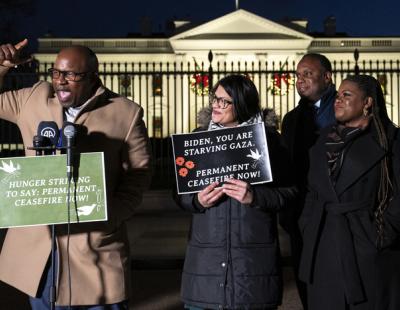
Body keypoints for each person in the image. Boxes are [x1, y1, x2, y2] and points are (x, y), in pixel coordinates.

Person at [0, 39, 152, 309]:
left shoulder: (125, 113)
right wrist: (1, 67)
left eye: (71, 74)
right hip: (41, 252)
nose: (60, 81)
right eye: (56, 73)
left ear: (93, 76)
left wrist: (111, 216)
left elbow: (138, 174)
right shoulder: (33, 98)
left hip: (95, 251)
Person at [175, 74, 297, 309]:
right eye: (215, 99)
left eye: (224, 101)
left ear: (242, 103)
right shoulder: (197, 139)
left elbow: (291, 193)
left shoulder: (270, 142)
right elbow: (179, 193)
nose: (215, 105)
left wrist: (255, 197)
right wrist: (197, 200)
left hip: (252, 268)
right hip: (205, 267)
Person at [299, 75, 400, 310]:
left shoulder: (391, 140)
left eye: (347, 95)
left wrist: (382, 234)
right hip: (323, 246)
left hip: (367, 246)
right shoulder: (323, 139)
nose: (338, 100)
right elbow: (312, 191)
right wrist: (307, 224)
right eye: (337, 95)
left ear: (367, 102)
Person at [279, 53, 336, 308]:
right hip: (302, 211)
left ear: (327, 77)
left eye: (308, 74)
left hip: (339, 209)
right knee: (306, 274)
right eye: (298, 75)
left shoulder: (346, 109)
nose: (300, 80)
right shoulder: (291, 119)